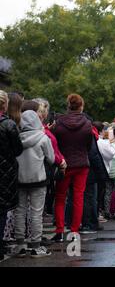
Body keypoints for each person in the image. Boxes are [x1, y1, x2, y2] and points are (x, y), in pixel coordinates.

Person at [51, 94, 92, 241]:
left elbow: (54, 144)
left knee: (61, 197)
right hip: (82, 164)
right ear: (81, 106)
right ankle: (75, 230)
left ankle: (59, 231)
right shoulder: (87, 124)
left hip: (64, 164)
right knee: (78, 197)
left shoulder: (59, 123)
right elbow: (89, 146)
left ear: (68, 106)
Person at [15, 110, 54, 257]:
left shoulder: (17, 137)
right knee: (36, 213)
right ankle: (36, 246)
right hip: (38, 178)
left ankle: (20, 245)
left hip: (20, 179)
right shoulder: (43, 138)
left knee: (20, 211)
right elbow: (50, 158)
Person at [0, 91, 23, 261]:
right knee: (1, 210)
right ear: (4, 105)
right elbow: (18, 149)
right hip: (4, 172)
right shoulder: (8, 125)